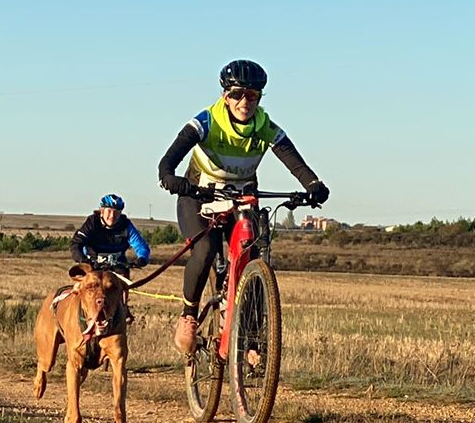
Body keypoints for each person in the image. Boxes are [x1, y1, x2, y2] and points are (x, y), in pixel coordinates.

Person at [157, 59, 329, 353]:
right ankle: (188, 316)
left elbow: (294, 162)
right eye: (237, 94)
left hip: (242, 199)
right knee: (206, 249)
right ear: (225, 96)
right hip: (199, 196)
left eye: (252, 95)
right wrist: (169, 177)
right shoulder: (206, 122)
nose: (244, 102)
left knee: (255, 256)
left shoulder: (265, 126)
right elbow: (168, 161)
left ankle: (251, 336)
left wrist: (313, 185)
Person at [68, 193, 151, 270]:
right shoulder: (92, 223)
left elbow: (140, 245)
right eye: (109, 211)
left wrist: (142, 258)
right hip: (93, 266)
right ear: (102, 211)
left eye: (116, 212)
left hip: (119, 267)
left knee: (125, 281)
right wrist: (83, 260)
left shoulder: (126, 225)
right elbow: (76, 244)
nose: (112, 216)